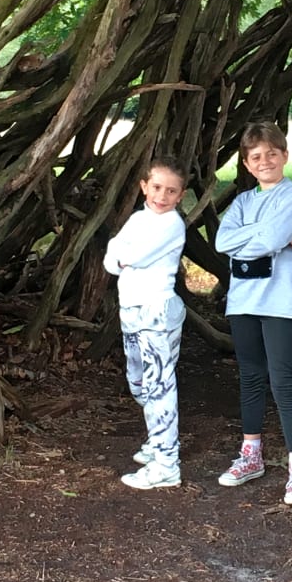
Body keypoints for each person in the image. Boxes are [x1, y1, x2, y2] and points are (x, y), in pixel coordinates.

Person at [214, 121, 292, 506]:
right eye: (256, 157)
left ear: (284, 155)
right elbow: (222, 242)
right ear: (247, 164)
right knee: (251, 377)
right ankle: (251, 455)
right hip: (243, 301)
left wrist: (263, 238)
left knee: (283, 380)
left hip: (281, 302)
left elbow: (269, 239)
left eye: (272, 153)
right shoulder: (242, 202)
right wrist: (269, 236)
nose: (265, 161)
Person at [104, 156, 188, 490]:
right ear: (144, 187)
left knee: (159, 386)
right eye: (156, 187)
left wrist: (124, 256)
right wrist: (121, 257)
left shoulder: (172, 224)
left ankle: (166, 463)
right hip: (131, 310)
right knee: (138, 382)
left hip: (157, 311)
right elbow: (112, 255)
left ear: (180, 196)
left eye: (171, 191)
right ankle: (157, 440)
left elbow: (135, 255)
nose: (162, 196)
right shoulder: (139, 219)